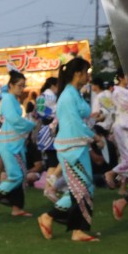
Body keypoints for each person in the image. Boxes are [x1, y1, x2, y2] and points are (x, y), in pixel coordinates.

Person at [37, 58, 101, 242]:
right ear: (77, 73)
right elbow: (73, 124)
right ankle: (73, 228)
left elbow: (80, 119)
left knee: (83, 188)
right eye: (85, 72)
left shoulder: (74, 94)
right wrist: (94, 137)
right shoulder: (67, 96)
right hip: (71, 148)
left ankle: (55, 220)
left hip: (77, 146)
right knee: (82, 188)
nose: (88, 76)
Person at [0, 71, 35, 217]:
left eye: (23, 86)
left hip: (14, 142)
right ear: (11, 85)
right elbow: (14, 119)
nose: (22, 88)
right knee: (17, 176)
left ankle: (17, 207)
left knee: (20, 175)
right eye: (20, 85)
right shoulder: (8, 99)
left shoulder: (11, 98)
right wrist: (29, 125)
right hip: (10, 144)